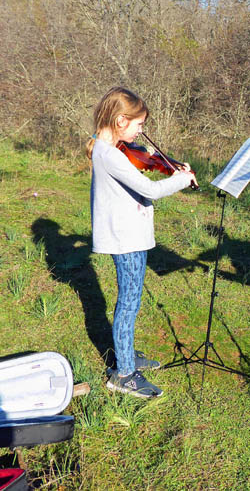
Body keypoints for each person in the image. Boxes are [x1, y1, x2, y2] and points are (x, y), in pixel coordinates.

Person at [87, 87, 197, 398]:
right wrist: (181, 178)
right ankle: (123, 374)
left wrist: (171, 168)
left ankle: (126, 353)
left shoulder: (110, 147)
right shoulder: (110, 154)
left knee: (130, 301)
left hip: (129, 234)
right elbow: (150, 190)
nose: (140, 133)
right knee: (129, 303)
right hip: (126, 239)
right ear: (121, 120)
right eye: (138, 125)